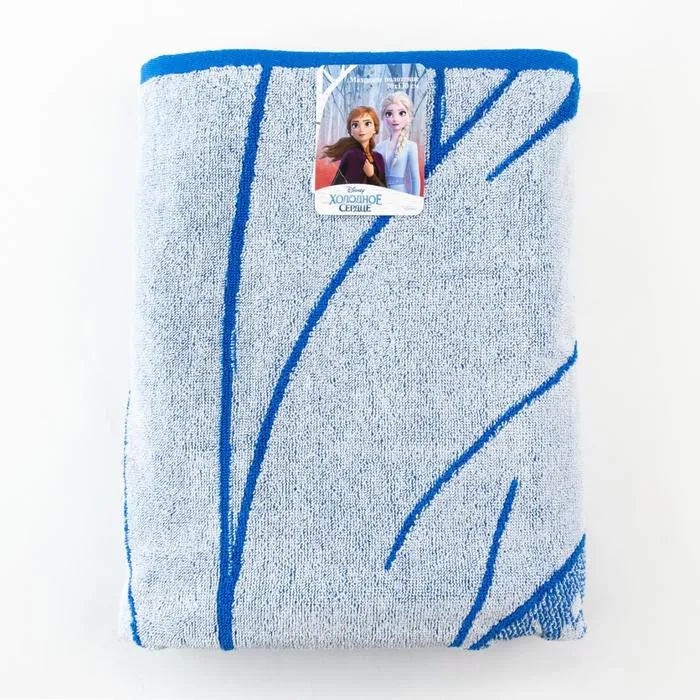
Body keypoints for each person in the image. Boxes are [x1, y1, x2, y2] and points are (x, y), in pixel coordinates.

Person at [322, 106, 387, 187]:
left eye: (367, 124)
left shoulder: (378, 157)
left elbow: (384, 189)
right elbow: (353, 189)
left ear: (375, 129)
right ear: (351, 132)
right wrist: (371, 176)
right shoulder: (353, 155)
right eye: (355, 125)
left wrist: (371, 176)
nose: (361, 129)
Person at [375, 92, 421, 195]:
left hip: (400, 195)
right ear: (384, 118)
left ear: (409, 117)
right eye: (389, 114)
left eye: (401, 113)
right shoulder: (379, 147)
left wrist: (415, 201)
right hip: (381, 194)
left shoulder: (411, 147)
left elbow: (415, 178)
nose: (395, 119)